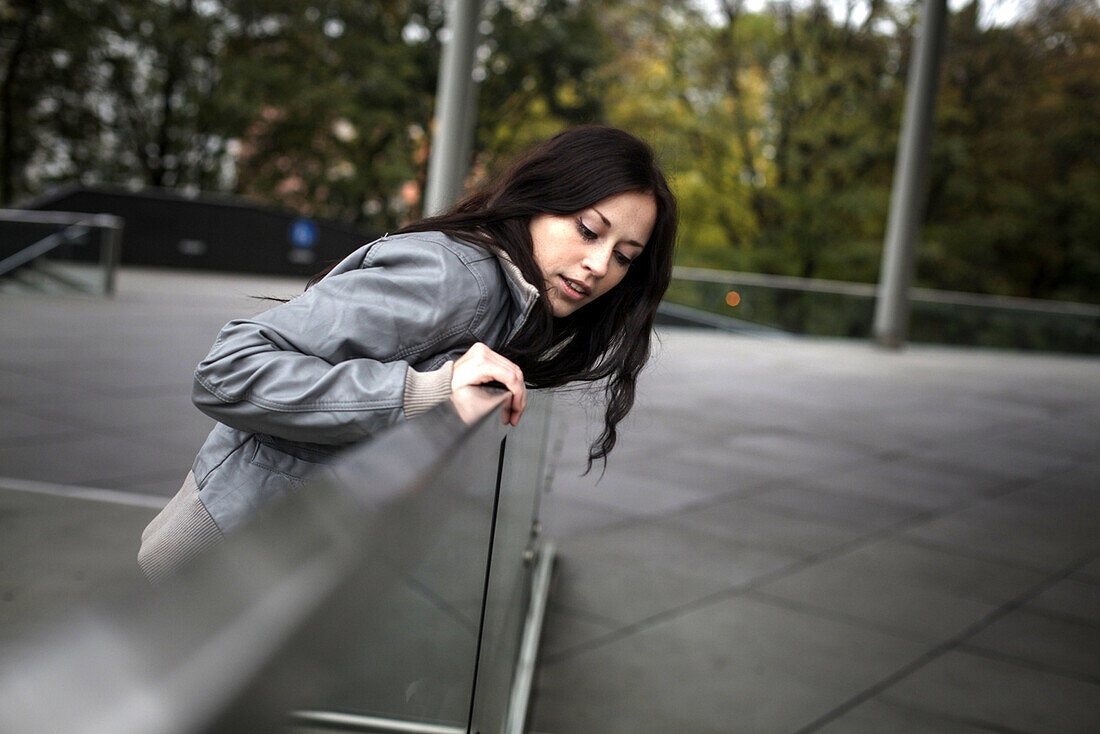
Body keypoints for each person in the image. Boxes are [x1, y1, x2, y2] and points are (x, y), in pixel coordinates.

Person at [138, 125, 678, 581]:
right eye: (588, 231)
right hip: (220, 554)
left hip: (282, 557)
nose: (599, 264)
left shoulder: (511, 302)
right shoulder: (455, 276)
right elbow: (228, 369)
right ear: (540, 199)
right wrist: (426, 391)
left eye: (625, 257)